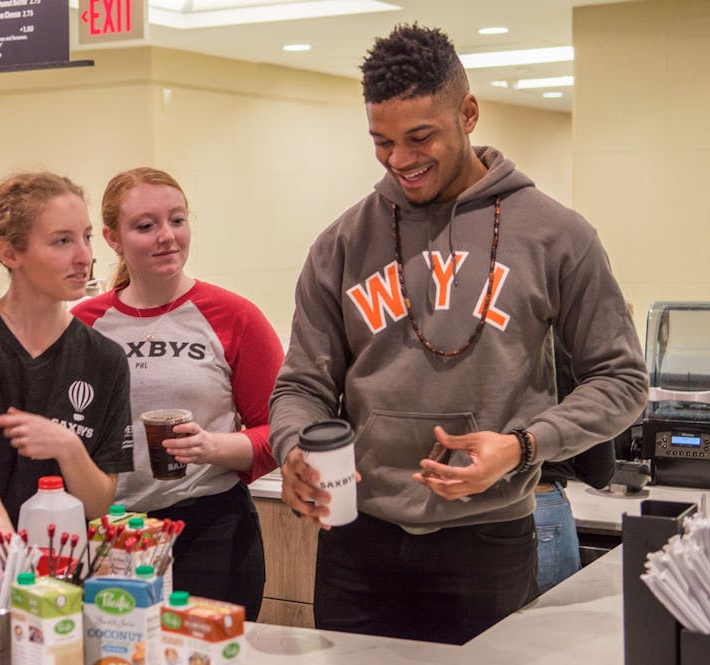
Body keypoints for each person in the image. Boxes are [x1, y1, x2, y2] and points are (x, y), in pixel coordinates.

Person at [269, 24, 648, 644]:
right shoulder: (340, 243)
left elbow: (624, 381)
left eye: (421, 137)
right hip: (357, 541)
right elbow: (301, 386)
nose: (400, 160)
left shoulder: (556, 235)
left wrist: (523, 446)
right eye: (382, 142)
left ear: (468, 113)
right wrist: (293, 449)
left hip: (489, 539)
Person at [72, 167, 284, 620]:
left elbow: (282, 430)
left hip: (210, 529)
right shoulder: (84, 324)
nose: (167, 236)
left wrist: (213, 447)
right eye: (146, 226)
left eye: (177, 220)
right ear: (112, 238)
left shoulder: (235, 316)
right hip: (111, 534)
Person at [0, 172, 134, 533]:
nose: (84, 256)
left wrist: (68, 447)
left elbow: (99, 504)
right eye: (62, 241)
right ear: (10, 252)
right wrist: (3, 537)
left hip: (60, 562)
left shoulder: (106, 359)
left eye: (86, 237)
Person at [534, 335, 616, 594]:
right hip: (542, 501)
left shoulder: (471, 338)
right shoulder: (569, 349)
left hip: (470, 509)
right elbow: (598, 471)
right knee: (547, 628)